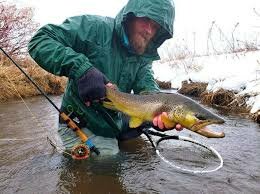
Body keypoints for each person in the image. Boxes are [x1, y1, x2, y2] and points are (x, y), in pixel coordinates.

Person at [28, 0, 182, 156]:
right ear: (130, 16)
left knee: (144, 151)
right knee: (108, 161)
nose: (149, 30)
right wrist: (82, 69)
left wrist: (160, 113)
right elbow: (40, 40)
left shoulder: (143, 54)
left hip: (114, 118)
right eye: (145, 20)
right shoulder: (94, 28)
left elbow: (148, 88)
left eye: (155, 26)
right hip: (81, 119)